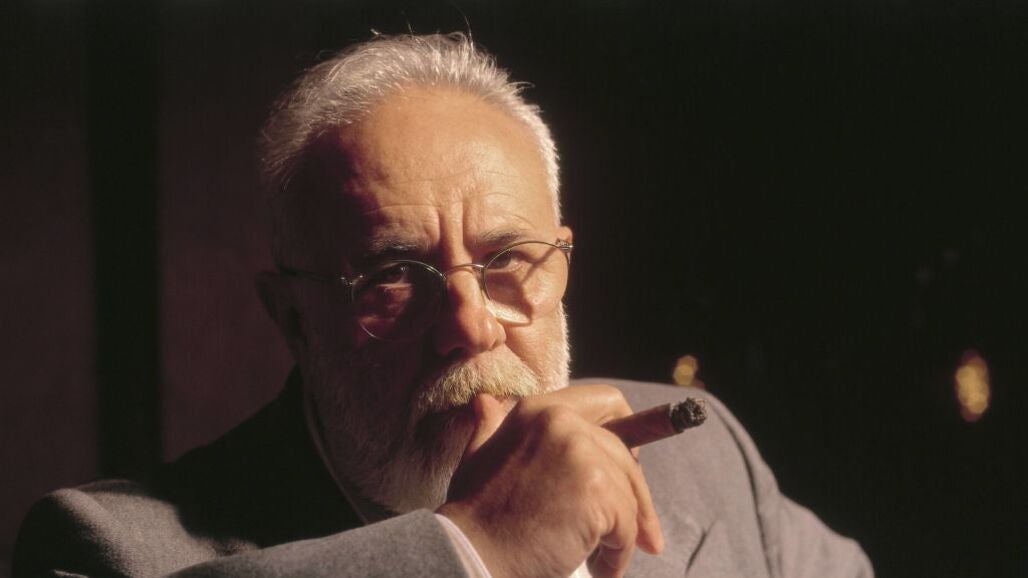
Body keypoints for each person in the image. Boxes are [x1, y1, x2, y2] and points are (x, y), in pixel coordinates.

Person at [14, 33, 872, 578]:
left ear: (562, 261)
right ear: (292, 318)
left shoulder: (704, 454)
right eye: (394, 275)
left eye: (509, 261)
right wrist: (474, 547)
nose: (471, 325)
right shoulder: (106, 548)